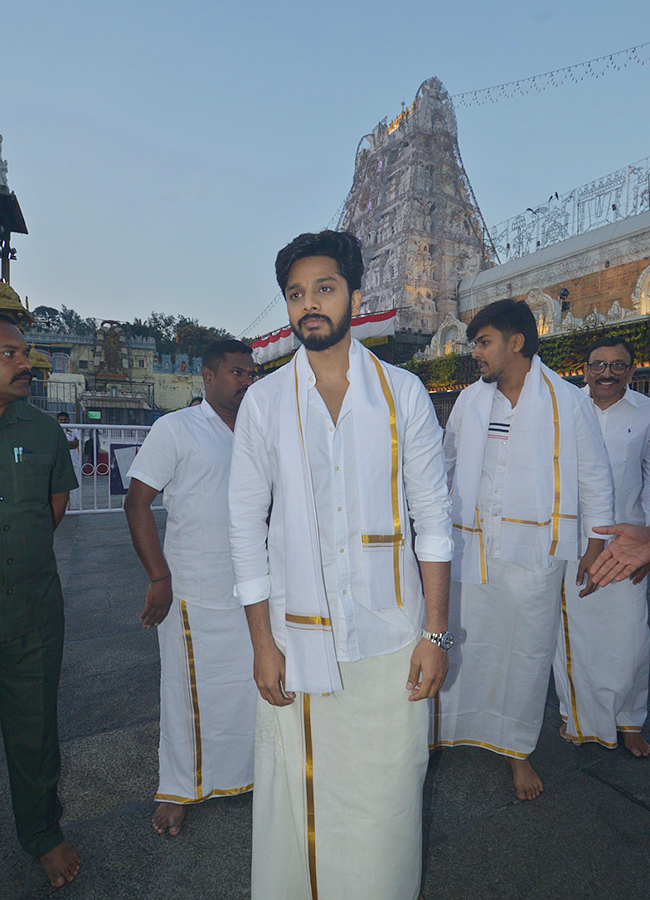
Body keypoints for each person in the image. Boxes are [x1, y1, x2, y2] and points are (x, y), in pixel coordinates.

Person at [229, 230, 453, 900]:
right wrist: (262, 642)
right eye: (296, 294)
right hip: (296, 644)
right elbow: (243, 525)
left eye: (323, 288)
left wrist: (435, 634)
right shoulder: (265, 403)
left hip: (391, 642)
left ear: (355, 296)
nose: (309, 305)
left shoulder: (403, 394)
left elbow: (434, 523)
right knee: (296, 810)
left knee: (385, 812)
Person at [436, 299, 614, 801]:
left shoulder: (566, 399)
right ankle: (448, 728)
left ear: (516, 343)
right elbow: (446, 462)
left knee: (526, 653)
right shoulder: (471, 400)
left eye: (483, 342)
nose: (476, 353)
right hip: (469, 544)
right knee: (462, 639)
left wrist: (595, 544)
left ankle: (517, 750)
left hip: (534, 551)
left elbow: (595, 475)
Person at [124, 339, 258, 836]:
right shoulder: (175, 428)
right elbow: (137, 503)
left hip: (252, 587)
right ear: (207, 377)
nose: (246, 381)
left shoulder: (257, 429)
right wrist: (160, 577)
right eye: (237, 373)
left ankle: (247, 775)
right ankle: (179, 789)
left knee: (249, 689)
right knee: (186, 693)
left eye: (251, 373)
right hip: (193, 590)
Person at [0, 316, 80, 887]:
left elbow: (53, 509)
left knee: (34, 731)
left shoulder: (43, 430)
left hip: (30, 611)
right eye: (10, 354)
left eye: (24, 353)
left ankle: (43, 832)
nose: (26, 363)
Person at [553, 338, 650, 757]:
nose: (606, 373)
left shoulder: (646, 414)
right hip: (576, 546)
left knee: (631, 641)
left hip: (630, 549)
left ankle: (630, 719)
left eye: (617, 366)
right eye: (598, 365)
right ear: (585, 369)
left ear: (632, 371)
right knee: (575, 638)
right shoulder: (565, 409)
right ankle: (576, 717)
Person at [57, 411, 81, 510]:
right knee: (62, 484)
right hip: (60, 459)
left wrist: (64, 444)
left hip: (74, 458)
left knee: (75, 482)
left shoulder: (74, 430)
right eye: (61, 420)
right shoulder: (55, 430)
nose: (63, 421)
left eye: (65, 419)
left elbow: (77, 443)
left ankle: (75, 507)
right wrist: (69, 444)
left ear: (68, 420)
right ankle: (63, 508)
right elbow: (56, 444)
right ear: (57, 421)